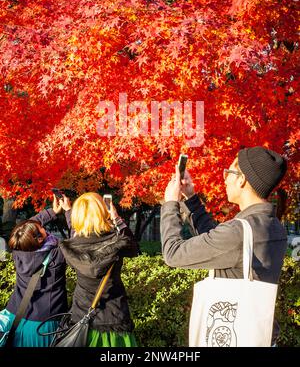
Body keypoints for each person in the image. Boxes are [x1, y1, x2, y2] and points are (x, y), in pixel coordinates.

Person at [160, 146, 288, 346]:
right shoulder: (273, 226)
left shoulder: (237, 232)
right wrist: (191, 200)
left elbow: (173, 254)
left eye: (229, 172)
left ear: (242, 179)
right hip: (259, 337)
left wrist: (170, 204)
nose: (225, 178)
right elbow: (220, 243)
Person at [58, 192, 139, 347]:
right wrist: (116, 219)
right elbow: (133, 248)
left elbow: (77, 235)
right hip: (114, 316)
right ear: (103, 211)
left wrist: (68, 211)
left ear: (77, 217)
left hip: (82, 317)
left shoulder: (71, 246)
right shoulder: (117, 241)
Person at [1, 196, 69, 347]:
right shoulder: (57, 255)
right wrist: (67, 211)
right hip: (43, 324)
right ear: (38, 239)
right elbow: (79, 241)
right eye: (41, 229)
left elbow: (28, 226)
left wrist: (52, 211)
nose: (42, 226)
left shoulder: (18, 249)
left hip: (15, 316)